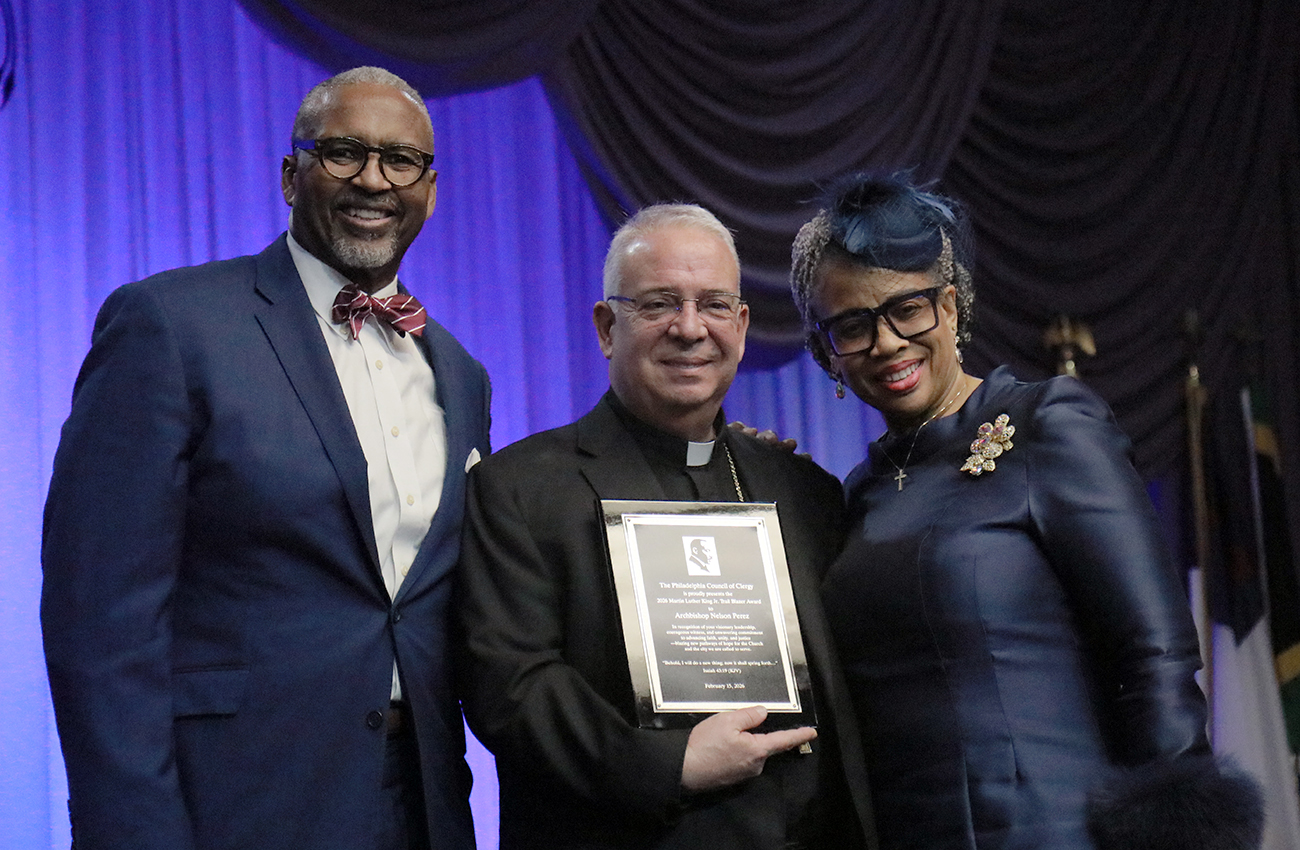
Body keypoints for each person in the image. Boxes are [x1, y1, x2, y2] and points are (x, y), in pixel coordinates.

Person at [41, 67, 489, 850]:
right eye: (344, 152)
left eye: (401, 160)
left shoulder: (459, 372)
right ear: (291, 176)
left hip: (417, 808)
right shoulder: (172, 326)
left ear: (431, 188)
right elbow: (99, 615)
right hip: (229, 807)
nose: (373, 180)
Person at [788, 172, 1262, 850]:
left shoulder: (1049, 425)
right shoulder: (860, 490)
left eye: (908, 309)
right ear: (826, 352)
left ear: (949, 306)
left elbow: (1152, 654)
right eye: (853, 326)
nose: (887, 342)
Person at [455, 204, 875, 849]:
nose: (689, 328)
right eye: (657, 304)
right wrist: (667, 764)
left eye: (712, 304)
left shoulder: (806, 492)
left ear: (740, 324)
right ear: (606, 326)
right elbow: (509, 687)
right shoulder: (520, 487)